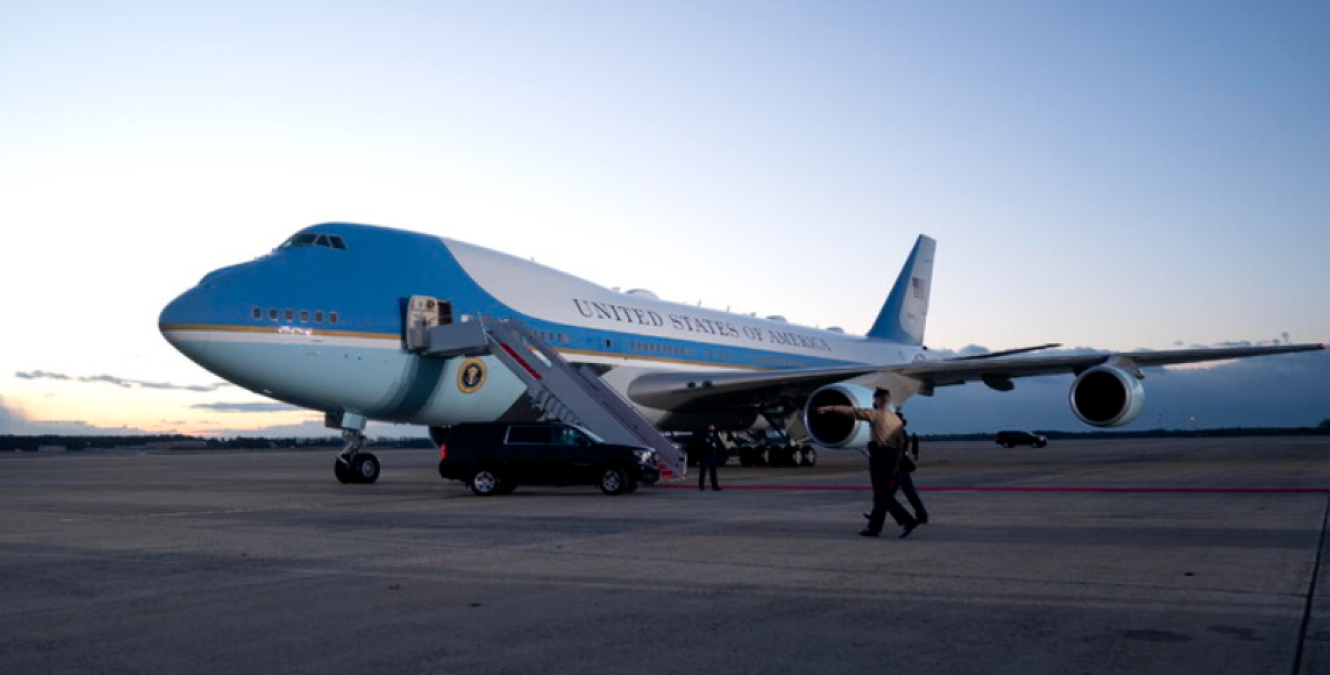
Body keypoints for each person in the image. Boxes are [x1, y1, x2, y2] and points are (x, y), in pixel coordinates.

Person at [816, 388, 919, 538]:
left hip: (880, 457)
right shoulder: (896, 419)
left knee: (882, 493)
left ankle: (906, 520)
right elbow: (901, 445)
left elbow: (851, 411)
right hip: (894, 457)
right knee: (882, 495)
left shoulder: (875, 414)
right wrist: (897, 464)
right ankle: (874, 527)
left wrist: (828, 408)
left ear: (877, 400)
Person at [695, 424, 723, 491]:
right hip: (705, 455)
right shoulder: (703, 436)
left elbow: (719, 444)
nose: (712, 429)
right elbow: (700, 445)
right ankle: (701, 486)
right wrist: (709, 444)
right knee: (703, 471)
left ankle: (715, 486)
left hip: (712, 455)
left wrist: (716, 447)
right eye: (711, 427)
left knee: (713, 472)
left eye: (713, 427)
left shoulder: (715, 436)